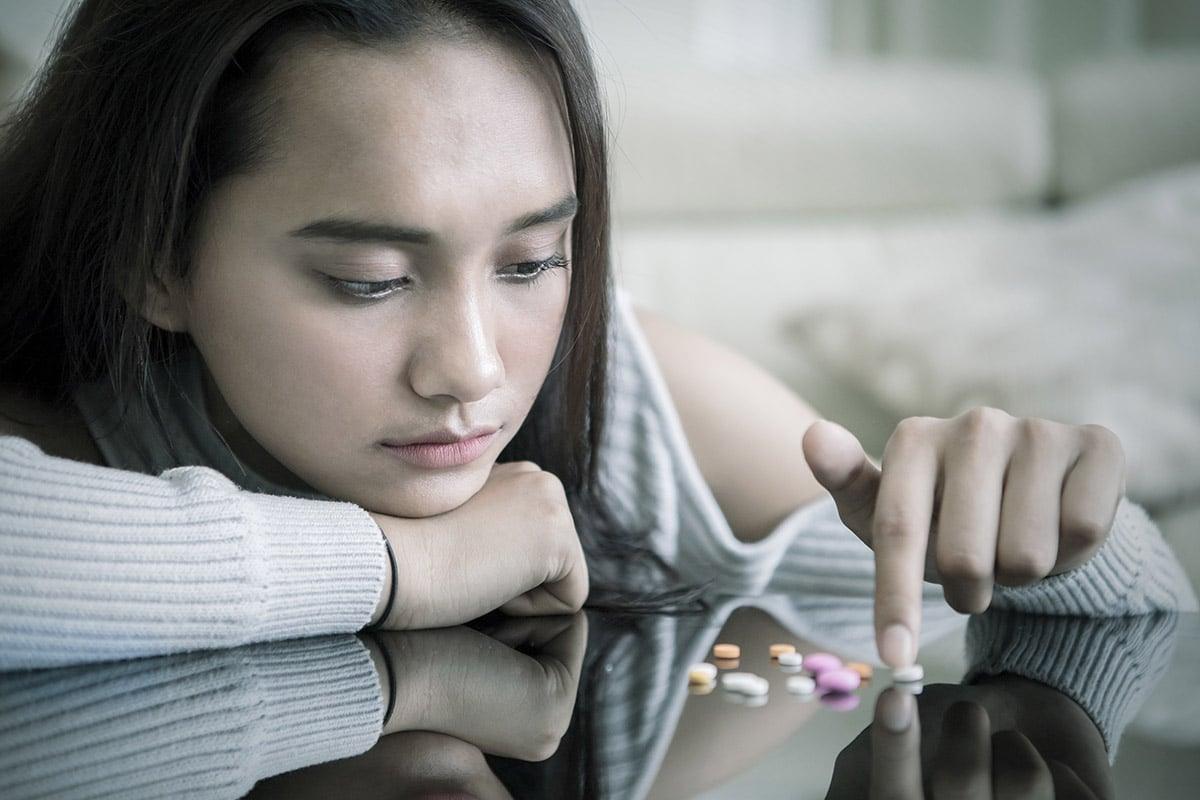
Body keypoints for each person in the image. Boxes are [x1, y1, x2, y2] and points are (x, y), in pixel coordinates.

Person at [0, 0, 1195, 672]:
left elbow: (1074, 601)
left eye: (530, 262)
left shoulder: (610, 386)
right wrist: (415, 563)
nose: (472, 371)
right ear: (152, 256)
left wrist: (1075, 534)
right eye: (367, 278)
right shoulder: (48, 417)